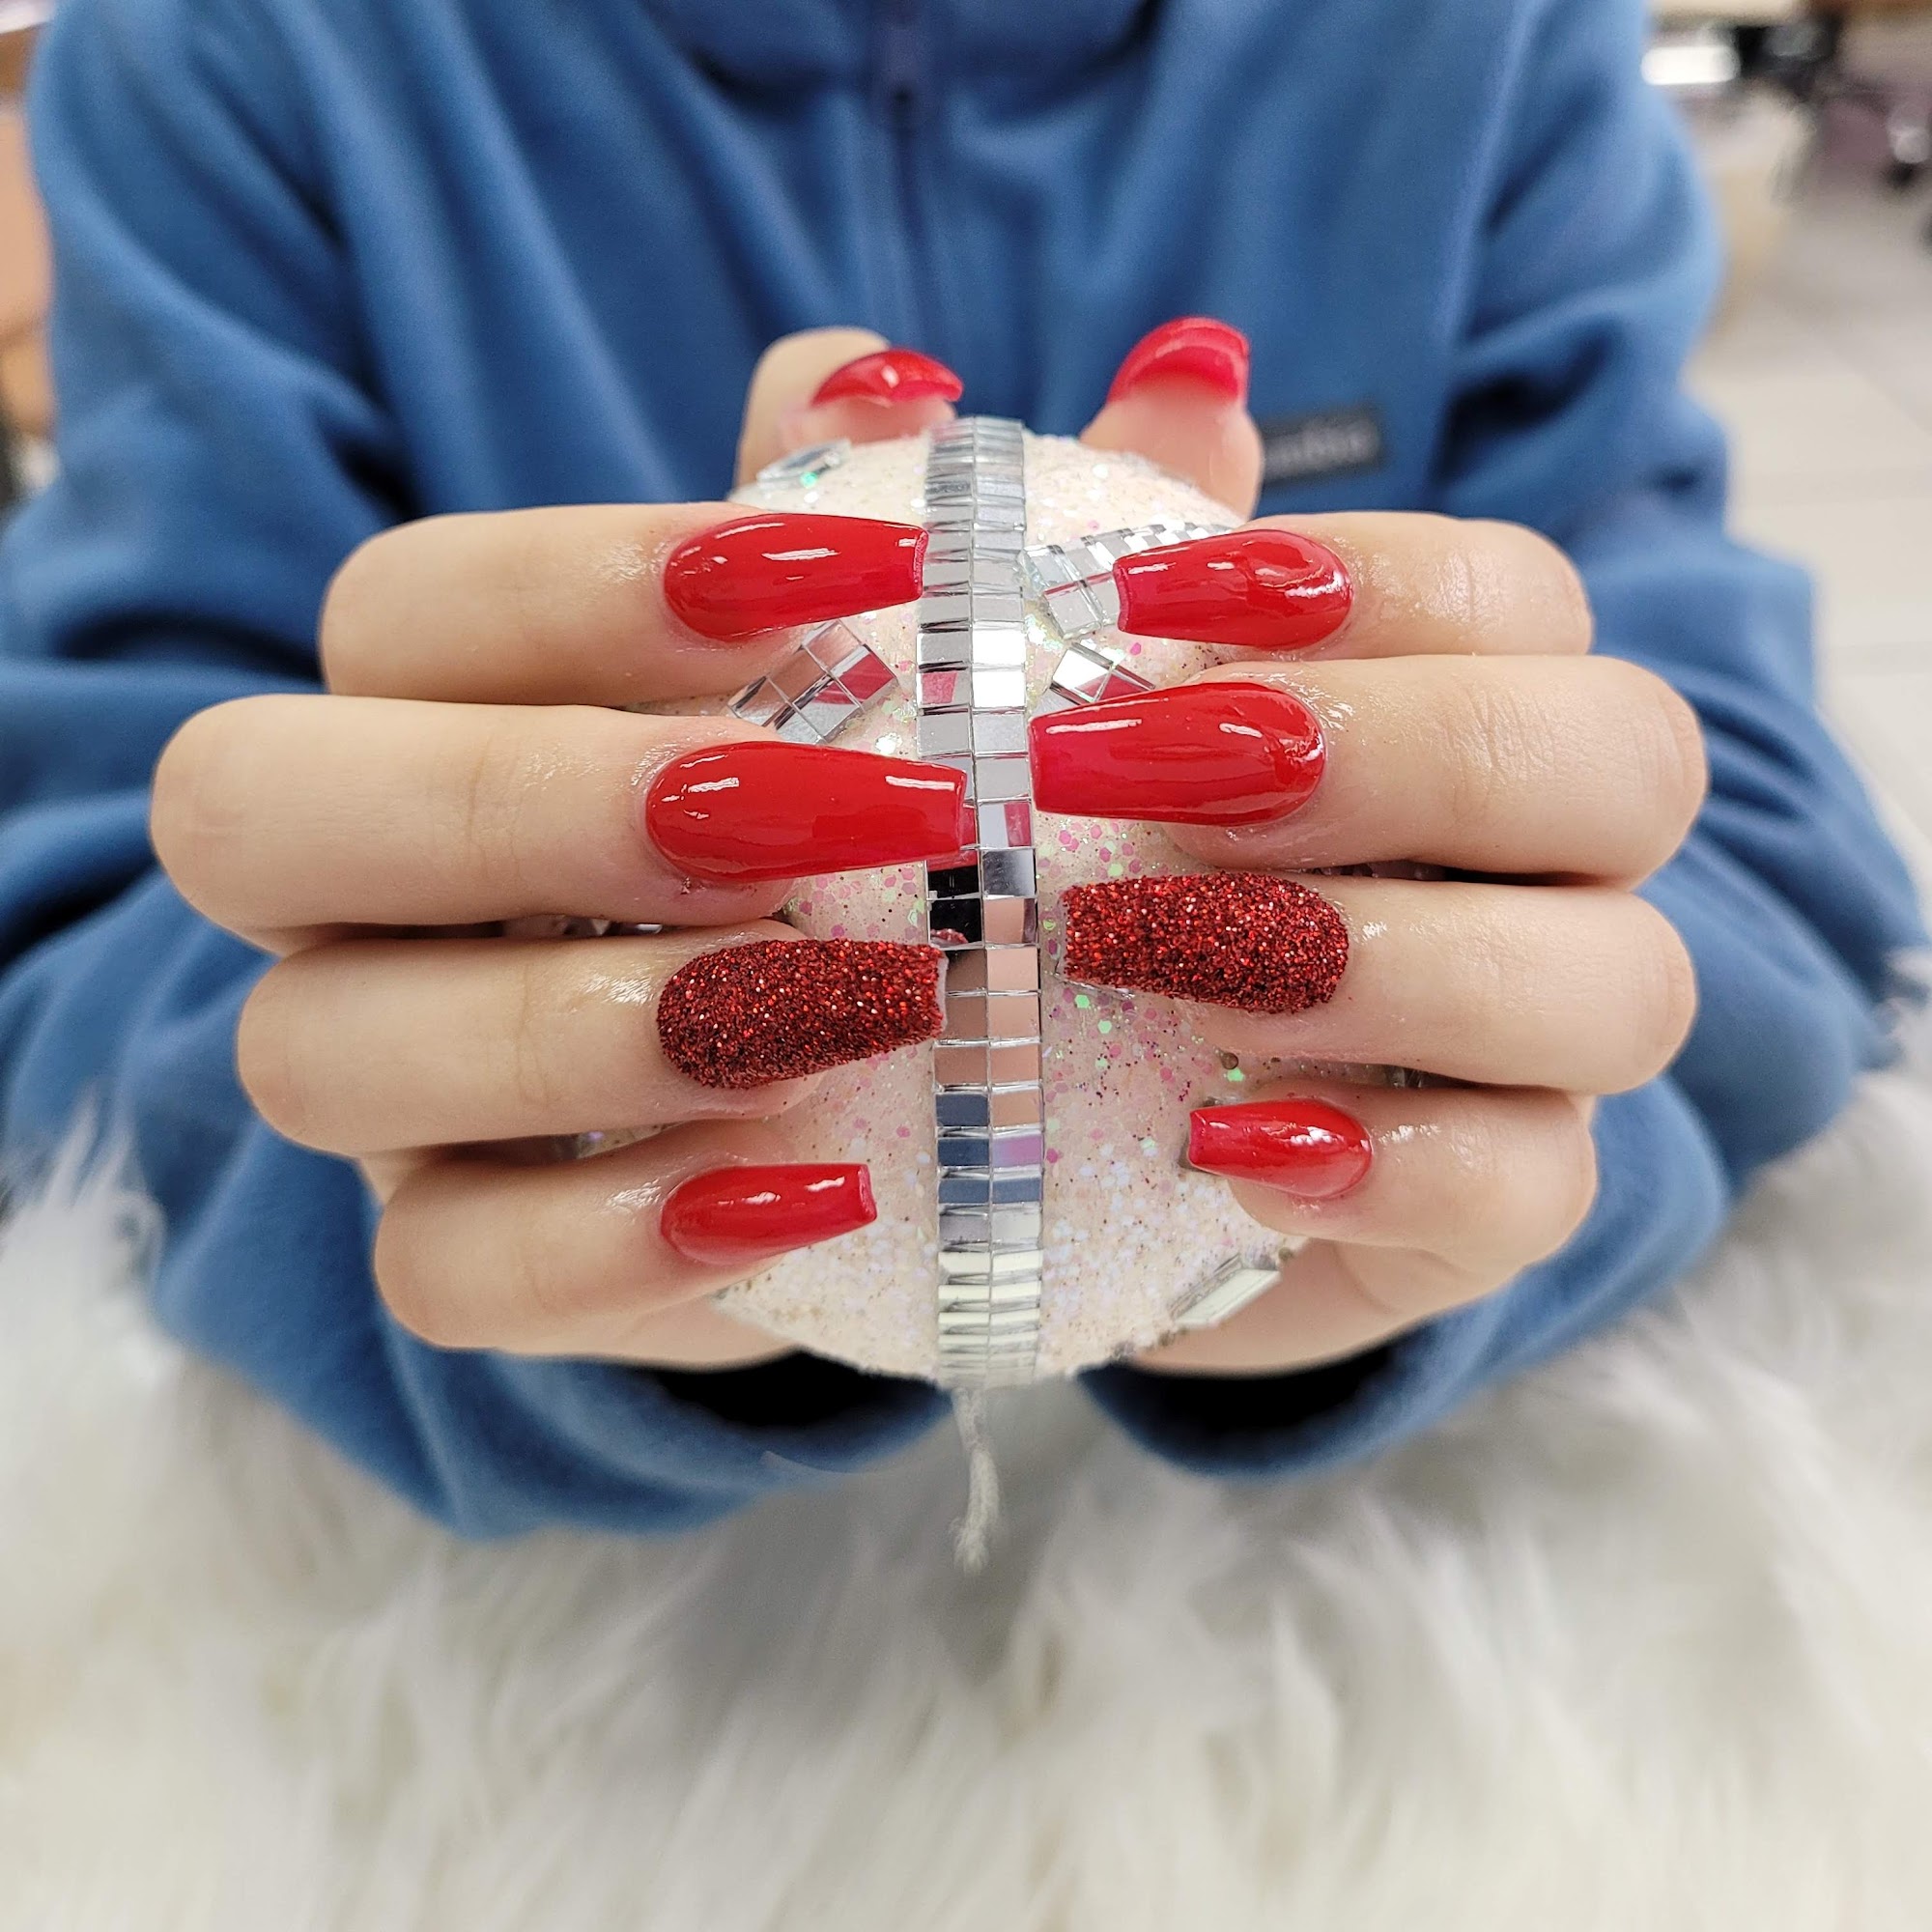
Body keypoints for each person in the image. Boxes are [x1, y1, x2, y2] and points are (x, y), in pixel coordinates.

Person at [0, 0, 1919, 1537]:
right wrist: (458, 1175)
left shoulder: (1479, 34)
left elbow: (1752, 826)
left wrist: (1492, 1140)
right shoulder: (229, 49)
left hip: (1330, 1566)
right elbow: (76, 898)